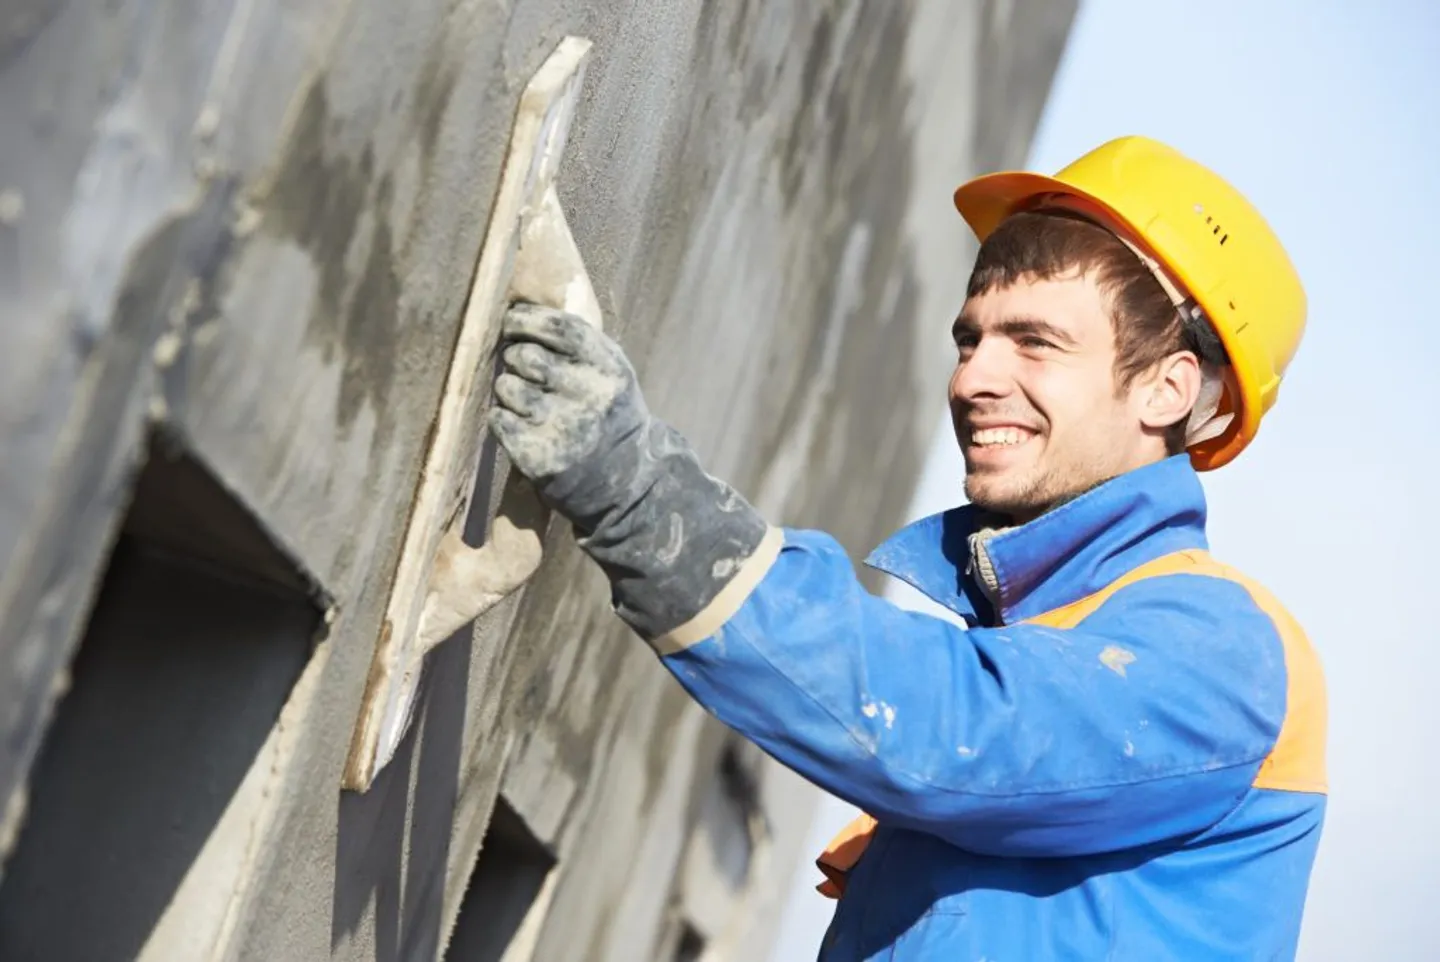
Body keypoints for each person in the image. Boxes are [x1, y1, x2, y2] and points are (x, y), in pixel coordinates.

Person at [487, 135, 1327, 961]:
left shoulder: (1226, 648)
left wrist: (640, 496)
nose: (971, 380)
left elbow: (952, 733)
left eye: (1034, 341)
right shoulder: (1039, 648)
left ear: (1167, 387)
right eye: (971, 339)